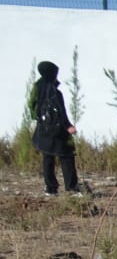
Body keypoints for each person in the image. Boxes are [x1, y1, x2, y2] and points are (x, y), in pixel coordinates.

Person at [30, 61, 79, 197]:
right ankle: (71, 188)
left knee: (48, 157)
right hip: (58, 131)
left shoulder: (37, 88)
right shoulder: (55, 93)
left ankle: (50, 189)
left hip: (43, 129)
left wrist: (41, 120)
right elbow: (61, 113)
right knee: (67, 156)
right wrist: (68, 126)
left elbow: (32, 108)